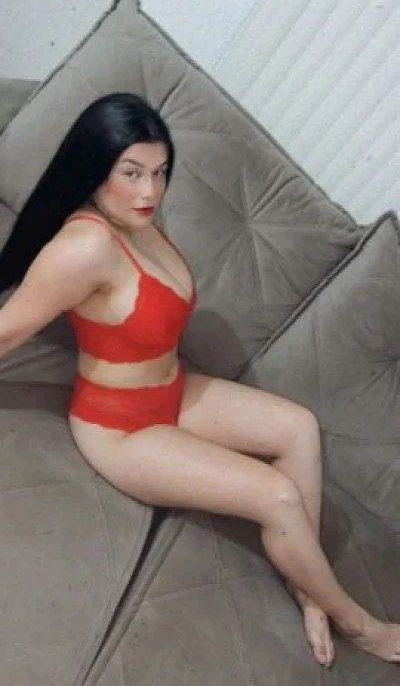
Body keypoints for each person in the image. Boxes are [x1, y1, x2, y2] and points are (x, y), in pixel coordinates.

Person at [0, 92, 399, 669]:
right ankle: (358, 623)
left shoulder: (137, 221)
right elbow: (8, 330)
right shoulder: (84, 247)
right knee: (278, 496)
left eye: (160, 172)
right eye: (131, 172)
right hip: (121, 429)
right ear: (93, 167)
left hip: (172, 391)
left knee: (299, 428)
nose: (149, 191)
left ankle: (309, 593)